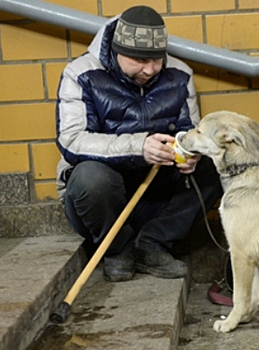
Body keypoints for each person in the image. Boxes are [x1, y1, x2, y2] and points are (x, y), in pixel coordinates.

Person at [55, 6, 223, 282]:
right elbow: (72, 141)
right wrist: (138, 147)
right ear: (116, 50)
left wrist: (189, 154)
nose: (150, 69)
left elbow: (189, 134)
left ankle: (153, 244)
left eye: (157, 59)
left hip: (157, 196)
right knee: (90, 177)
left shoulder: (180, 75)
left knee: (216, 164)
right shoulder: (81, 74)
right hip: (103, 204)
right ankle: (117, 249)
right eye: (139, 60)